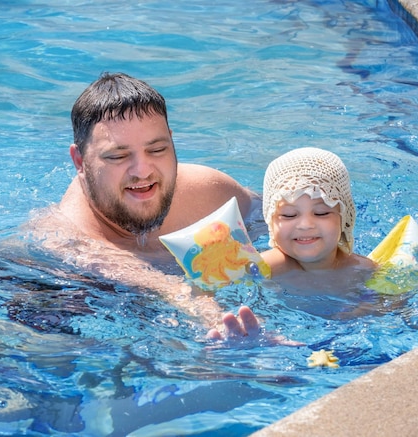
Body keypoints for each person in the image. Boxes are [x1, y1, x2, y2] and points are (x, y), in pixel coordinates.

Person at [28, 72, 261, 337]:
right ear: (80, 161)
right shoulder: (66, 240)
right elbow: (162, 288)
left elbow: (286, 220)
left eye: (157, 150)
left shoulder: (210, 193)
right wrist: (215, 318)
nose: (142, 171)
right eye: (118, 156)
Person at [259, 147, 377, 294]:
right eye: (289, 215)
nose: (305, 225)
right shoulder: (265, 268)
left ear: (344, 217)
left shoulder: (362, 270)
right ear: (271, 221)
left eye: (321, 213)